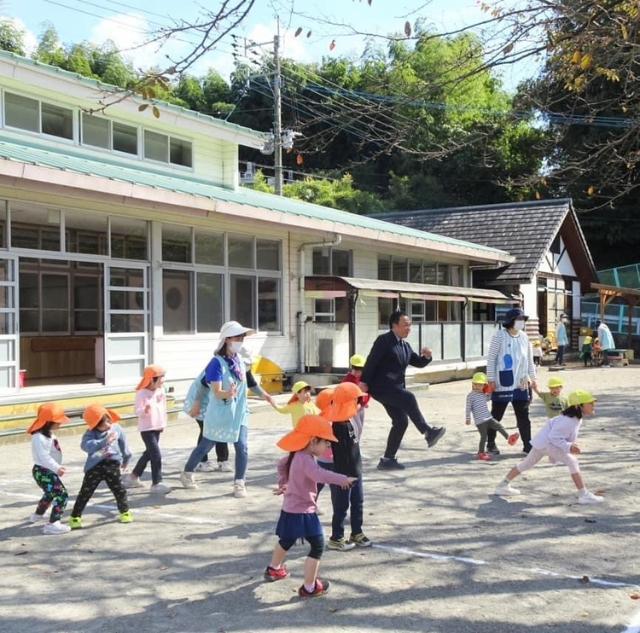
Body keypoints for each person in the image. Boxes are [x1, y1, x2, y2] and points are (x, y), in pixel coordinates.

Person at [265, 415, 357, 598]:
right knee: (317, 545)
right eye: (326, 443)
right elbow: (319, 475)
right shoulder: (306, 459)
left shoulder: (297, 455)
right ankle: (310, 587)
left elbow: (281, 465)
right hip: (303, 512)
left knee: (287, 539)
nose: (328, 447)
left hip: (291, 509)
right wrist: (342, 480)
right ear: (313, 441)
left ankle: (274, 569)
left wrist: (285, 483)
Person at [179, 321, 274, 497]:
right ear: (227, 339)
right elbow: (215, 391)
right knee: (206, 445)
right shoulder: (216, 363)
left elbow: (251, 382)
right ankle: (187, 472)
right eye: (238, 337)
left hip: (240, 411)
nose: (241, 340)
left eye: (242, 337)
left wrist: (265, 395)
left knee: (242, 446)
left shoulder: (239, 360)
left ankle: (239, 482)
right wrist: (227, 394)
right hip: (221, 412)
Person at [361, 310, 446, 470]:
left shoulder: (404, 345)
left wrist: (427, 357)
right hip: (381, 387)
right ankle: (428, 432)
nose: (409, 328)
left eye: (410, 325)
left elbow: (417, 362)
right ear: (394, 325)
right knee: (409, 398)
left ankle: (387, 460)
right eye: (405, 325)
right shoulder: (383, 341)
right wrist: (364, 382)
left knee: (401, 422)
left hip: (395, 388)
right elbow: (371, 361)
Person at [494, 390, 604, 504]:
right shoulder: (569, 420)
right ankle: (583, 495)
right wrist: (569, 447)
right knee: (572, 462)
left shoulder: (573, 418)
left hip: (542, 442)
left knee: (526, 463)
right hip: (548, 443)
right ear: (578, 406)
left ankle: (503, 485)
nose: (593, 405)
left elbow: (556, 433)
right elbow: (554, 437)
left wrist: (565, 448)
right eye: (590, 403)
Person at [319, 382, 372, 551]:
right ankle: (337, 537)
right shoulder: (334, 426)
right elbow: (332, 453)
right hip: (343, 473)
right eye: (353, 400)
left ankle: (356, 532)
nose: (357, 403)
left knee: (358, 501)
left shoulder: (350, 420)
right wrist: (342, 477)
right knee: (341, 505)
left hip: (356, 469)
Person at [69, 405, 133, 529]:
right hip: (95, 465)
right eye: (103, 425)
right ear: (95, 425)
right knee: (85, 492)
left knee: (119, 489)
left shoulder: (116, 428)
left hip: (112, 464)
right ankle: (75, 517)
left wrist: (126, 458)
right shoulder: (90, 433)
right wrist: (104, 441)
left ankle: (124, 512)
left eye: (108, 421)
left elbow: (124, 444)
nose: (108, 425)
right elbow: (86, 446)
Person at [486, 308, 537, 454]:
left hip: (521, 383)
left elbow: (529, 360)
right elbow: (491, 359)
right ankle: (490, 443)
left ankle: (528, 445)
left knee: (523, 415)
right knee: (497, 414)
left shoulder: (524, 337)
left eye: (523, 319)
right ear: (511, 321)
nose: (522, 322)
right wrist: (491, 379)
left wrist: (533, 379)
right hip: (503, 382)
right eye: (518, 319)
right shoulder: (499, 336)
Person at [124, 364, 171, 494]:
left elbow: (163, 409)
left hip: (157, 426)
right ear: (152, 379)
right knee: (156, 455)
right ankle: (157, 482)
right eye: (161, 377)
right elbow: (137, 411)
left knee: (149, 453)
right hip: (147, 428)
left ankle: (133, 477)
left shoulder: (161, 390)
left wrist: (163, 424)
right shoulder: (142, 393)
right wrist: (144, 410)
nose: (163, 380)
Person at [27, 403, 72, 535]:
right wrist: (57, 468)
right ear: (48, 422)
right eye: (58, 421)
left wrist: (56, 467)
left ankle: (37, 515)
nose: (61, 423)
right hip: (43, 471)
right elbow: (44, 457)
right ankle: (53, 523)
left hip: (48, 470)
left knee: (50, 493)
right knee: (62, 495)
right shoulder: (38, 437)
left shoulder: (49, 435)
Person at [183, 369, 231, 472]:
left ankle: (222, 461)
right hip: (200, 404)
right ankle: (201, 461)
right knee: (206, 431)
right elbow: (202, 386)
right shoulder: (216, 367)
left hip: (212, 403)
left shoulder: (230, 366)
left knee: (219, 428)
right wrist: (197, 405)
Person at [465, 372, 519, 461]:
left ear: (484, 386)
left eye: (480, 385)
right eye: (476, 384)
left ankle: (509, 438)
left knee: (498, 426)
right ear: (472, 384)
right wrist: (468, 418)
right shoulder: (470, 396)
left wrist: (490, 391)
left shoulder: (482, 394)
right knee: (484, 436)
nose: (477, 386)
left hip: (488, 418)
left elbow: (487, 399)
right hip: (480, 421)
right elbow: (468, 408)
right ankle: (481, 452)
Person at [342, 353, 370, 441]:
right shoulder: (348, 380)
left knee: (360, 427)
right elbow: (346, 395)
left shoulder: (363, 378)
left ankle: (357, 448)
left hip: (361, 407)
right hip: (352, 408)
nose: (357, 372)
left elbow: (367, 391)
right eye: (355, 369)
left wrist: (365, 402)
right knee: (357, 428)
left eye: (360, 370)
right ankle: (354, 448)